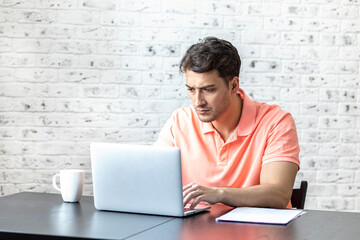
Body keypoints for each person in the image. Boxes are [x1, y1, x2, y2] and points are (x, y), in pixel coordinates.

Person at [155, 37, 300, 209]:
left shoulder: (276, 122)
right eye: (191, 90)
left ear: (233, 86)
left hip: (259, 233)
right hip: (195, 231)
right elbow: (152, 179)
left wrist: (218, 194)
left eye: (208, 90)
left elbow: (278, 195)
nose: (197, 101)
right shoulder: (179, 121)